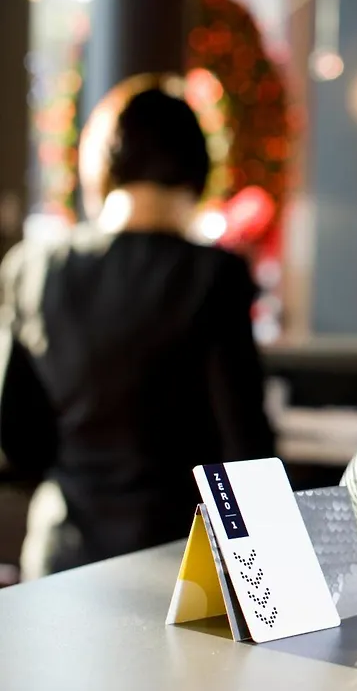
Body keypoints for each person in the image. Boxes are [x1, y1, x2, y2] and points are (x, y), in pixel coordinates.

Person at [0, 77, 275, 576]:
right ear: (196, 172)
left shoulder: (33, 268)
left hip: (62, 558)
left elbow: (17, 441)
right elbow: (244, 450)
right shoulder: (214, 276)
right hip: (175, 563)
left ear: (102, 168)